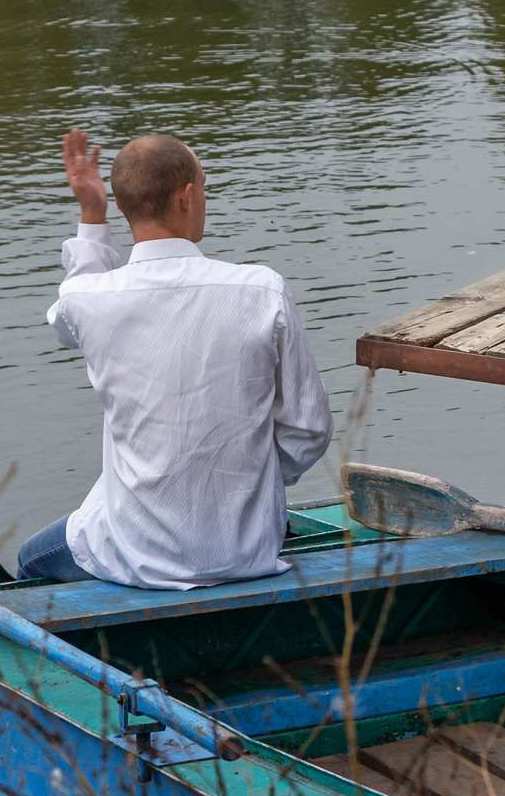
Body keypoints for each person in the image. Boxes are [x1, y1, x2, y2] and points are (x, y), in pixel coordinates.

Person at [17, 129, 333, 590]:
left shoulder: (89, 300)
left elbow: (71, 310)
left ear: (123, 206)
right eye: (204, 185)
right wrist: (251, 484)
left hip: (134, 551)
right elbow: (309, 430)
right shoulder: (262, 291)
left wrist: (91, 213)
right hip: (248, 550)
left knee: (29, 561)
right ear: (187, 196)